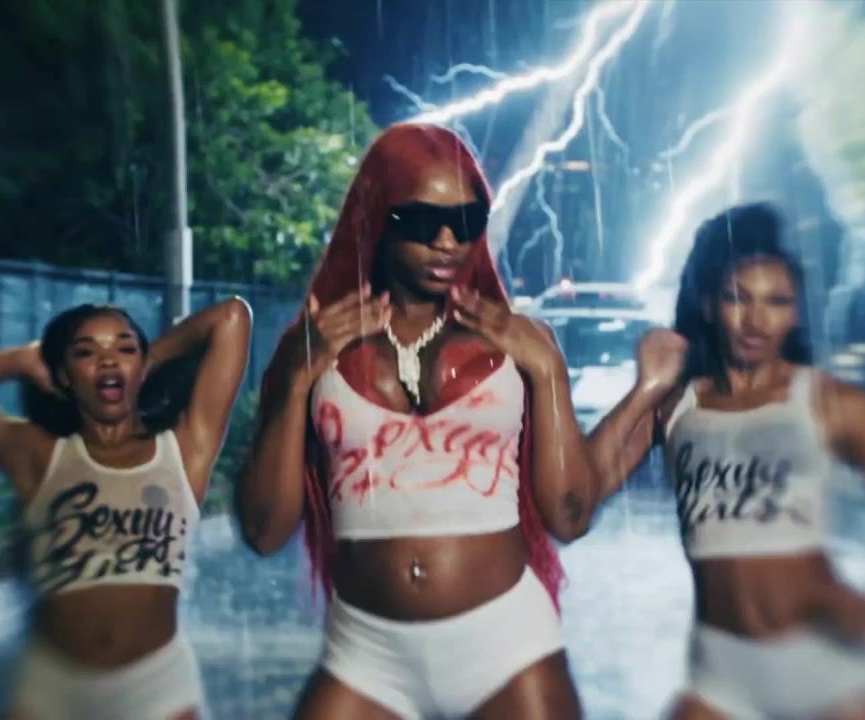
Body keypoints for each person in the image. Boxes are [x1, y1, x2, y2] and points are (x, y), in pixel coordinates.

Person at [236, 123, 597, 720]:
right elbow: (264, 531)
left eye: (467, 220)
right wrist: (295, 380)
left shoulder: (519, 346)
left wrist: (550, 373)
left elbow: (570, 517)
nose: (448, 241)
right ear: (376, 218)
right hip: (366, 652)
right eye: (423, 221)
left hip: (507, 643)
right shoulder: (312, 349)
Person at [586, 203, 865, 719]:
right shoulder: (676, 407)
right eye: (737, 297)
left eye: (777, 301)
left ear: (795, 311)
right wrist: (644, 389)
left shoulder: (830, 402)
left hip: (822, 667)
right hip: (719, 672)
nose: (756, 320)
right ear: (708, 303)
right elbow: (573, 505)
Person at [0, 298, 252, 720]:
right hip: (52, 687)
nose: (108, 360)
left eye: (123, 347)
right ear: (63, 376)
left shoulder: (184, 450)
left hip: (156, 685)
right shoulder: (38, 453)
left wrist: (145, 360)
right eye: (86, 352)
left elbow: (231, 317)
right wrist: (22, 359)